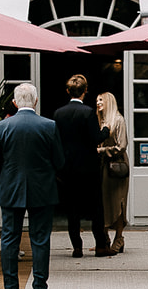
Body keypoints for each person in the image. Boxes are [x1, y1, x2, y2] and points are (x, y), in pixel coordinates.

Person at [0, 82, 65, 289]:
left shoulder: (2, 127)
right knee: (40, 240)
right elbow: (59, 161)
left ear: (14, 102)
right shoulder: (48, 125)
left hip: (11, 188)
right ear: (36, 101)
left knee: (10, 239)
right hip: (42, 189)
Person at [53, 74, 112, 257]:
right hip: (88, 167)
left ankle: (77, 247)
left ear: (67, 91)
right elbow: (96, 138)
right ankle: (101, 246)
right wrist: (106, 130)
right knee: (96, 208)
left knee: (72, 209)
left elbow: (56, 141)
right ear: (85, 91)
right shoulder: (88, 112)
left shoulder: (58, 113)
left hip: (67, 169)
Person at [96, 90, 129, 254]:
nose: (98, 103)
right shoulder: (101, 121)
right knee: (105, 202)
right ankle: (106, 238)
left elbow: (122, 146)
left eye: (101, 100)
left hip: (117, 165)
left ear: (109, 101)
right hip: (104, 166)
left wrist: (102, 151)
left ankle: (119, 237)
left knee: (119, 201)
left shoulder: (118, 120)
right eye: (97, 101)